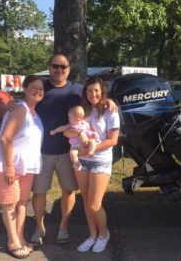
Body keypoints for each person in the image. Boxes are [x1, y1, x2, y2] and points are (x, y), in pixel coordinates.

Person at [25, 53, 117, 246]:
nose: (59, 70)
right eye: (55, 66)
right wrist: (10, 103)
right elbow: (25, 100)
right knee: (40, 192)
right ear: (49, 67)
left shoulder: (77, 90)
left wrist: (110, 101)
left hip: (69, 152)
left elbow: (96, 96)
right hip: (43, 151)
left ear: (69, 69)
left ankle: (63, 228)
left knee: (68, 191)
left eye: (63, 67)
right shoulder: (41, 88)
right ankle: (39, 227)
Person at [0, 75, 44, 259]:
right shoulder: (20, 108)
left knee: (21, 203)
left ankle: (20, 237)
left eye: (41, 88)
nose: (38, 91)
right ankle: (13, 242)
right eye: (33, 87)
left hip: (27, 166)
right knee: (10, 205)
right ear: (25, 89)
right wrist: (9, 166)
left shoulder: (34, 113)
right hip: (10, 165)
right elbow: (5, 138)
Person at [74, 77, 120, 253]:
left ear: (102, 92)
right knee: (86, 201)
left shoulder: (110, 110)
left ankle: (104, 234)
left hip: (100, 161)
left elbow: (113, 140)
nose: (93, 94)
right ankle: (92, 235)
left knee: (94, 204)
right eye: (89, 90)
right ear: (85, 92)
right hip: (82, 161)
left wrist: (90, 150)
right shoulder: (82, 110)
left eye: (96, 91)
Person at [50, 105, 100, 170]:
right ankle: (78, 164)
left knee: (92, 141)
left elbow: (89, 131)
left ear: (77, 119)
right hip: (75, 146)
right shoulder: (70, 125)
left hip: (86, 142)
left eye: (70, 117)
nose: (68, 119)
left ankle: (90, 152)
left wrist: (93, 134)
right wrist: (54, 131)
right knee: (72, 154)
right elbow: (62, 128)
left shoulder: (85, 124)